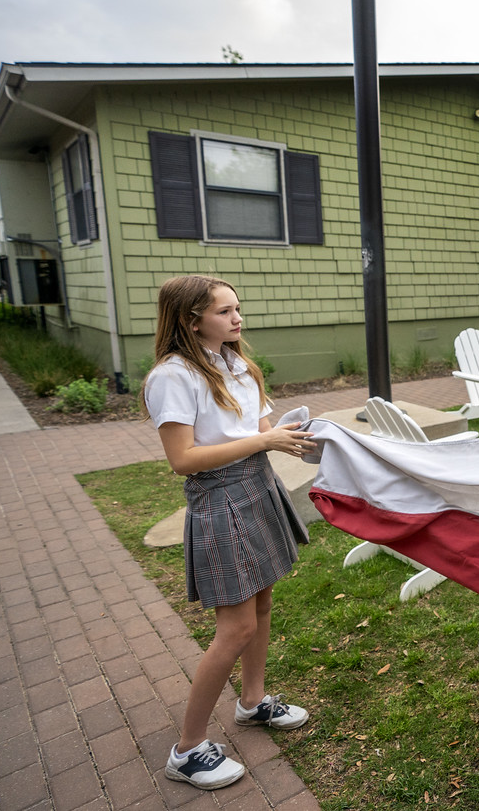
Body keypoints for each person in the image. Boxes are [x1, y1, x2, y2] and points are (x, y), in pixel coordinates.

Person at [142, 275, 316, 790]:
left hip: (258, 487)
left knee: (261, 605)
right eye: (224, 311)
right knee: (235, 628)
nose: (237, 318)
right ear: (191, 320)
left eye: (237, 308)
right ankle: (187, 750)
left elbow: (257, 431)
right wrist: (264, 441)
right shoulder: (172, 376)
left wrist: (291, 434)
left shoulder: (237, 364)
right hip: (220, 498)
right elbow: (183, 459)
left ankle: (253, 702)